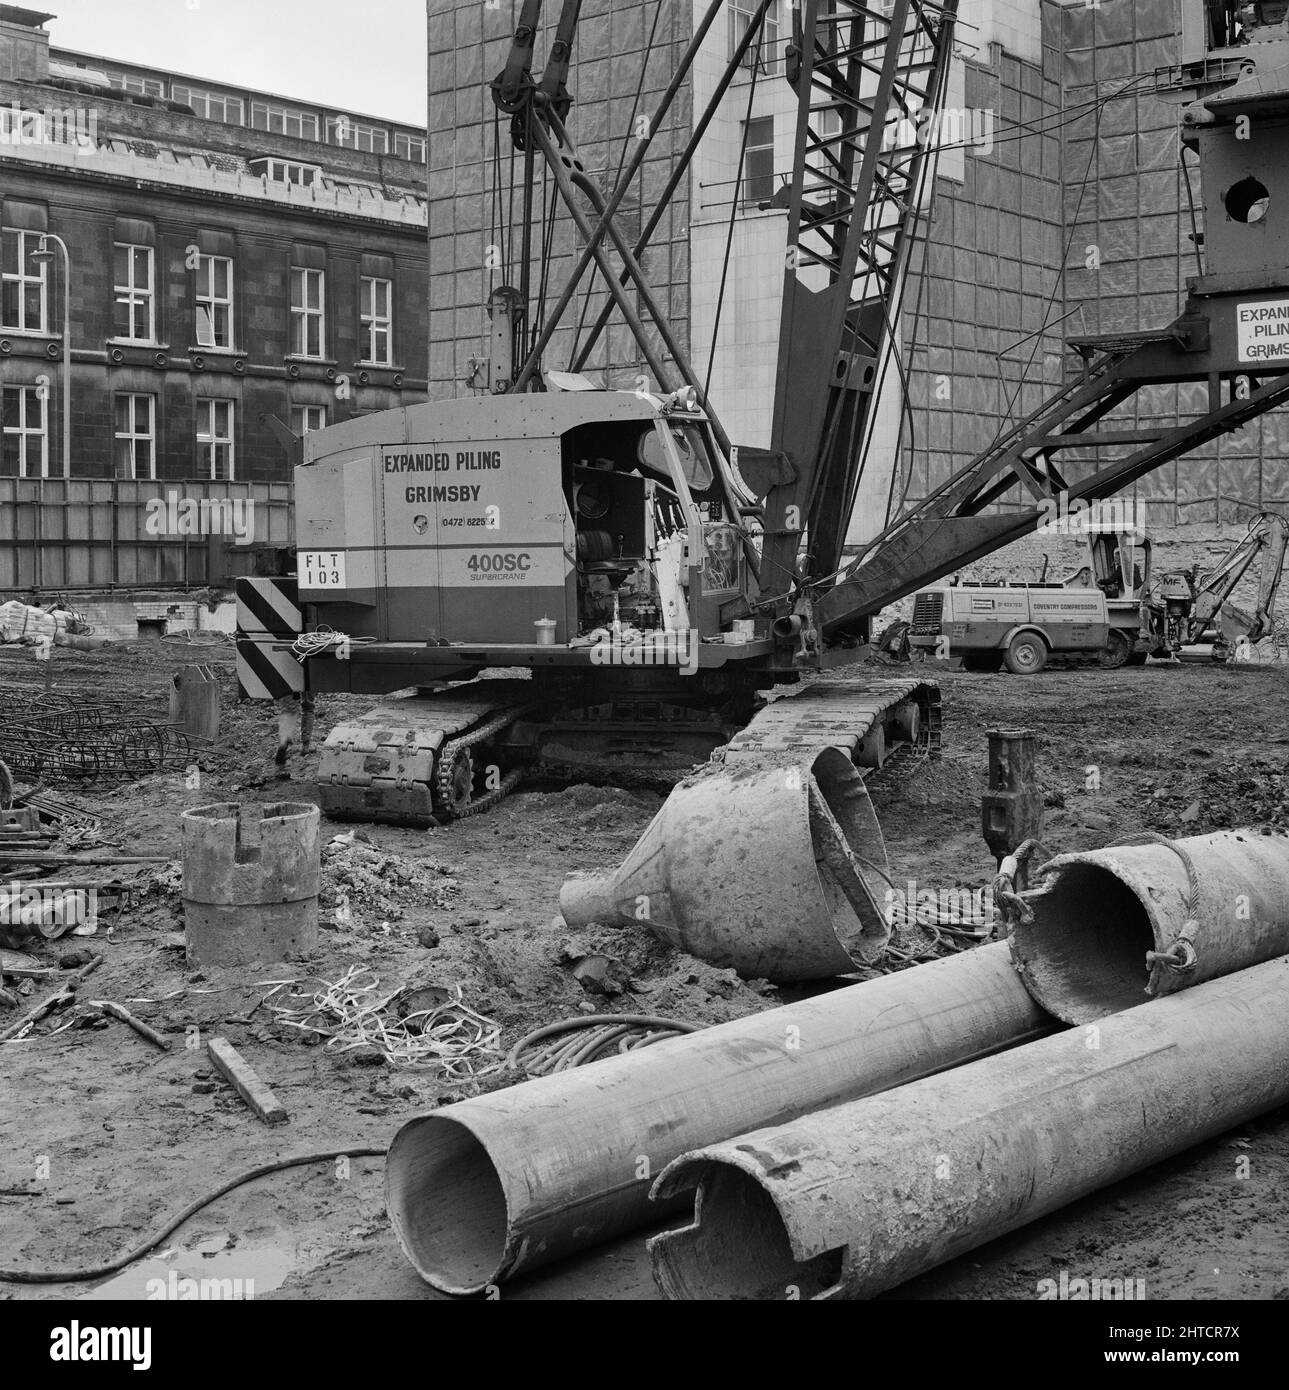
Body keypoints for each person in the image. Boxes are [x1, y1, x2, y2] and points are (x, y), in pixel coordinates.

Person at [275, 690, 316, 768]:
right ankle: (306, 745)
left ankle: (284, 740)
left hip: (288, 679)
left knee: (288, 709)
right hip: (307, 678)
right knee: (308, 707)